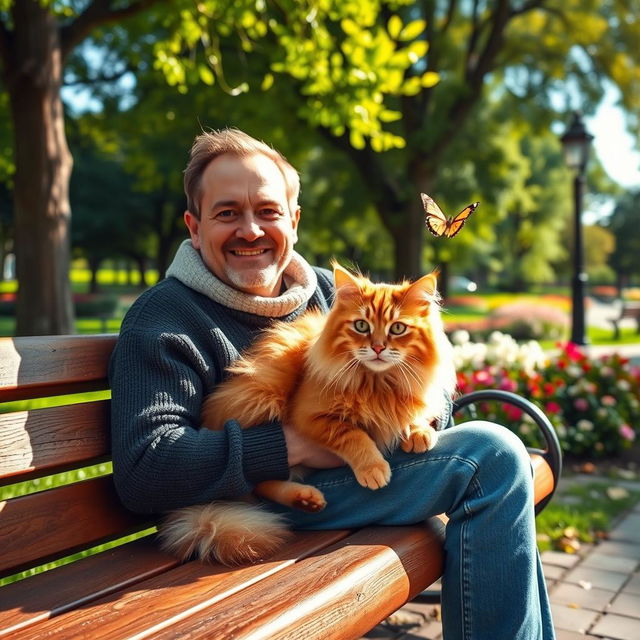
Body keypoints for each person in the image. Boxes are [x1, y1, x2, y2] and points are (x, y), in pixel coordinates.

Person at [109, 127, 555, 640]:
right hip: (252, 500)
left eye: (269, 212)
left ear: (293, 221)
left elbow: (418, 402)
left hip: (347, 475)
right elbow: (145, 470)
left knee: (499, 464)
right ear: (194, 225)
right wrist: (291, 444)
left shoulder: (330, 290)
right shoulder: (164, 317)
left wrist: (422, 417)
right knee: (493, 458)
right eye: (228, 212)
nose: (251, 230)